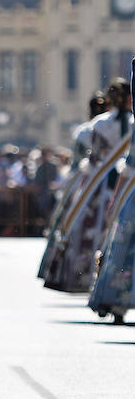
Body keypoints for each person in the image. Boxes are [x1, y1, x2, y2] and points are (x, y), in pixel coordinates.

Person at [44, 80, 133, 292]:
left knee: (87, 225)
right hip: (128, 182)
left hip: (100, 183)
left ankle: (84, 276)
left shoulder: (99, 124)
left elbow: (92, 159)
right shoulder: (133, 122)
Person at [38, 92, 106, 280]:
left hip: (86, 182)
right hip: (105, 182)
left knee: (73, 220)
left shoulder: (86, 130)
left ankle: (74, 272)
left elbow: (77, 163)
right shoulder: (107, 126)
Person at [91, 63, 135, 323]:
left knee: (124, 245)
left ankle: (116, 300)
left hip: (120, 187)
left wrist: (116, 200)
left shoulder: (99, 124)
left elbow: (127, 167)